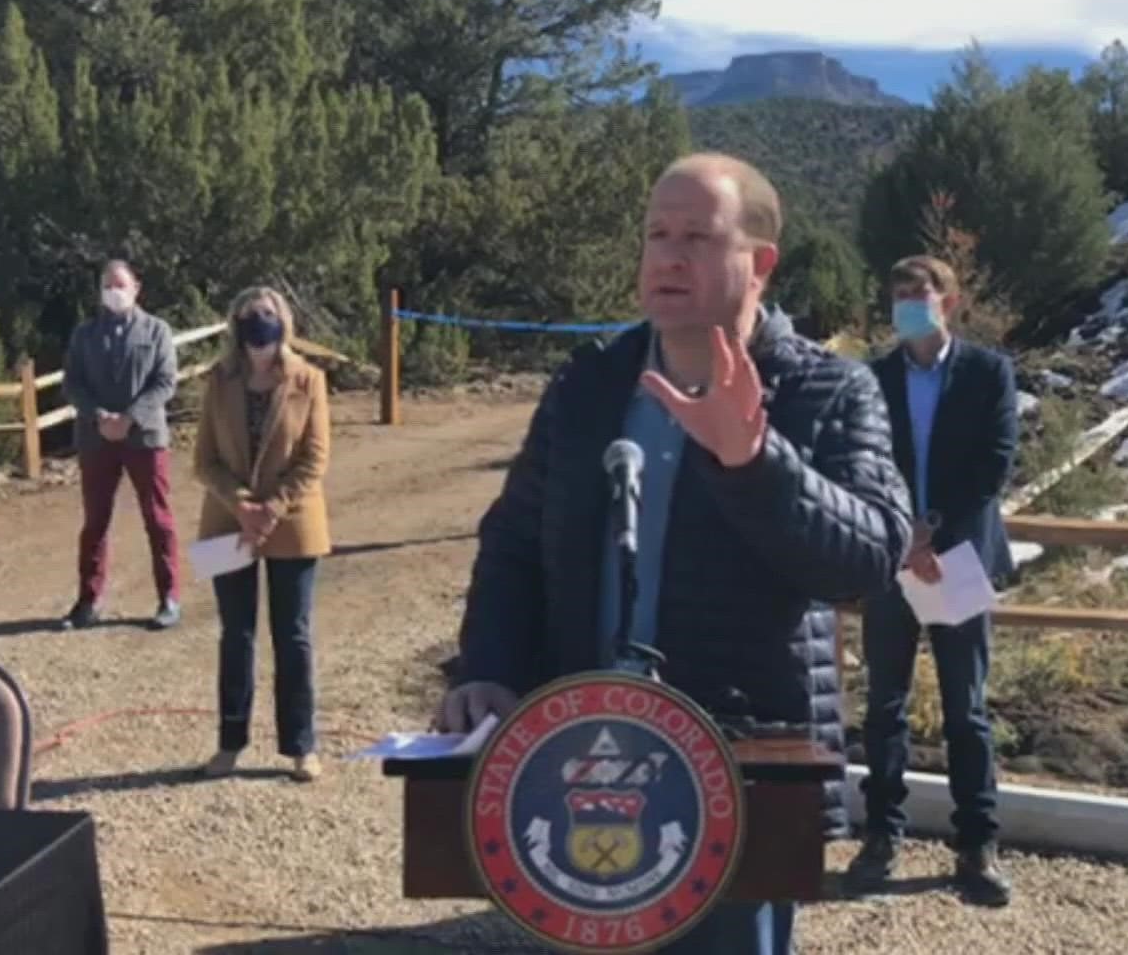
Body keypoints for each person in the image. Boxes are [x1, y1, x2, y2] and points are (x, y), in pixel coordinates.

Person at [435, 152, 913, 954]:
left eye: (696, 234)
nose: (668, 254)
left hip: (735, 772)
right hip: (579, 759)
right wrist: (488, 666)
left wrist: (754, 461)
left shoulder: (828, 391)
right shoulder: (589, 386)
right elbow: (515, 542)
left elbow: (869, 555)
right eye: (656, 233)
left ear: (759, 263)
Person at [846, 254, 1020, 906]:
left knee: (965, 710)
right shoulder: (873, 377)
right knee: (884, 706)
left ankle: (977, 843)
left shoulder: (988, 373)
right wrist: (901, 536)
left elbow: (994, 462)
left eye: (920, 292)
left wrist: (932, 531)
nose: (907, 302)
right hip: (890, 561)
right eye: (897, 293)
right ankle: (881, 837)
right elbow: (859, 459)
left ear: (950, 301)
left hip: (956, 558)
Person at [193, 287, 331, 782]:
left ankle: (301, 746)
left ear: (284, 322)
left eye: (267, 315)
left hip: (292, 521)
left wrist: (272, 507)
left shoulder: (309, 379)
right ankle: (230, 743)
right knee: (236, 634)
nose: (259, 323)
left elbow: (314, 458)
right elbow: (203, 461)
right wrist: (241, 504)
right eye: (249, 316)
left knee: (292, 635)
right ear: (236, 324)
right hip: (228, 521)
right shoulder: (218, 380)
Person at [59, 260, 183, 630]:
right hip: (96, 439)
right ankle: (88, 601)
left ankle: (169, 598)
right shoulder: (84, 334)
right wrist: (99, 416)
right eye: (107, 286)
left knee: (158, 519)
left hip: (145, 437)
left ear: (136, 288)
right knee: (95, 522)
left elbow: (165, 382)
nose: (114, 292)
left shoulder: (156, 331)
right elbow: (72, 384)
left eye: (120, 285)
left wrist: (130, 417)